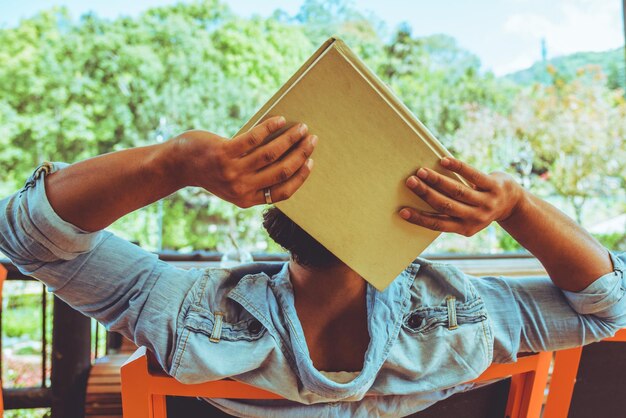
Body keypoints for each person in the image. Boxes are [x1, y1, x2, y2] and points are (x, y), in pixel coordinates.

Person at [0, 115, 624, 418]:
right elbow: (608, 304)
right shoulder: (475, 322)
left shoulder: (180, 314)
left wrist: (176, 162)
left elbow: (26, 238)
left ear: (273, 210)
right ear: (405, 217)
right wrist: (513, 204)